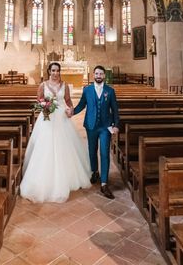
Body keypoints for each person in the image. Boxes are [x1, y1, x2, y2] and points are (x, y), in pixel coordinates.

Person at [19, 62, 91, 202]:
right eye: (53, 70)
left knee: (64, 146)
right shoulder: (43, 85)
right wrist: (44, 105)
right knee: (45, 147)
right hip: (47, 119)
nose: (55, 73)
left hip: (62, 118)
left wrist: (71, 109)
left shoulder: (64, 85)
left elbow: (68, 100)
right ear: (49, 71)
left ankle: (67, 177)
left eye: (57, 70)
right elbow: (39, 99)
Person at [69, 65, 120, 199]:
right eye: (96, 74)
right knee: (92, 151)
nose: (98, 76)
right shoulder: (87, 90)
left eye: (101, 74)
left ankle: (104, 183)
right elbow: (81, 104)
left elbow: (115, 109)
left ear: (104, 76)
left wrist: (116, 125)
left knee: (104, 153)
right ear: (93, 75)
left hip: (105, 127)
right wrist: (72, 112)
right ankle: (95, 171)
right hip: (91, 125)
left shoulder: (110, 90)